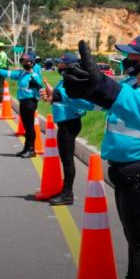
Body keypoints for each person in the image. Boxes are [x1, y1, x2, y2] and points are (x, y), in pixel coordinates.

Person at [68, 37, 140, 279]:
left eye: (129, 55)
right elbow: (99, 104)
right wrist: (68, 94)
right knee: (133, 238)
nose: (124, 60)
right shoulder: (132, 85)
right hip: (125, 171)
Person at [40, 52, 97, 205]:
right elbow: (60, 99)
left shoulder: (74, 82)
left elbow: (80, 103)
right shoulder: (64, 81)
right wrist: (51, 98)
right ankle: (65, 191)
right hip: (65, 123)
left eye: (62, 64)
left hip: (69, 123)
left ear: (71, 66)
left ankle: (67, 194)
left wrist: (56, 95)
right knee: (66, 159)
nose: (59, 66)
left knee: (67, 160)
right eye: (59, 63)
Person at [0, 53, 43, 158]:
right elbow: (9, 73)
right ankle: (26, 148)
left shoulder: (34, 76)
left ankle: (31, 150)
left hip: (30, 103)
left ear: (32, 63)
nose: (24, 63)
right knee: (26, 128)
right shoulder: (22, 73)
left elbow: (40, 92)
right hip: (23, 103)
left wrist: (37, 89)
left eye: (27, 61)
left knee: (29, 127)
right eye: (23, 61)